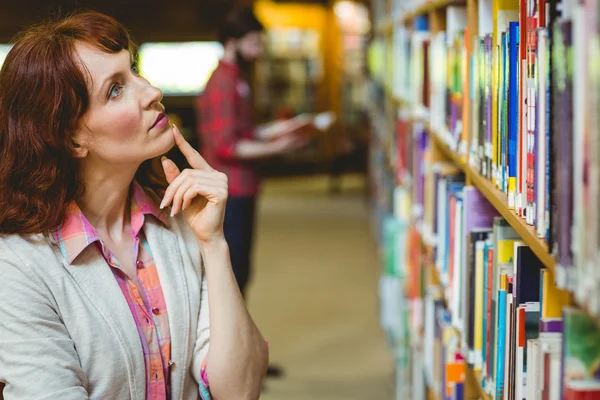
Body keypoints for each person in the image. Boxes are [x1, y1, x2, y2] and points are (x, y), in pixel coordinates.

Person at [0, 11, 267, 400]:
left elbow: (240, 391)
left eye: (134, 70)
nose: (151, 91)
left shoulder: (177, 219)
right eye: (115, 89)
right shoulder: (19, 264)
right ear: (72, 139)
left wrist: (213, 244)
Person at [196, 6, 307, 300]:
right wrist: (276, 147)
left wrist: (278, 130)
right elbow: (226, 144)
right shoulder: (223, 82)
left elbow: (241, 132)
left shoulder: (237, 78)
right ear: (233, 42)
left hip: (242, 184)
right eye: (253, 43)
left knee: (241, 266)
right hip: (230, 187)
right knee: (235, 270)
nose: (258, 51)